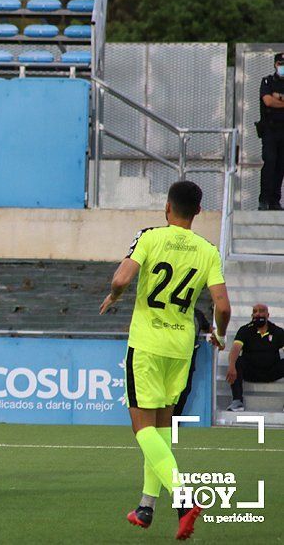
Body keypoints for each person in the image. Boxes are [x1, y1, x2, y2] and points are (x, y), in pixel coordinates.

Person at [99, 180, 230, 541]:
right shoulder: (208, 250)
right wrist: (218, 333)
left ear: (167, 208)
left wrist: (114, 295)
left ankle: (184, 499)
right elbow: (223, 306)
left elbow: (122, 278)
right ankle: (146, 506)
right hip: (180, 348)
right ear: (199, 212)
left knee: (142, 429)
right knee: (159, 430)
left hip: (147, 344)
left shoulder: (149, 236)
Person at [225, 304, 284, 411]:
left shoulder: (278, 331)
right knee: (236, 361)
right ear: (252, 315)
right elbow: (235, 349)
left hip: (272, 372)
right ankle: (237, 401)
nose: (258, 314)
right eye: (255, 311)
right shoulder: (244, 330)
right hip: (251, 372)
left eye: (261, 311)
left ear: (268, 315)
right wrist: (231, 365)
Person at [172, 308, 211, 418]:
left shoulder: (197, 313)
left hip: (188, 361)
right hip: (169, 358)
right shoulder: (171, 309)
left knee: (184, 391)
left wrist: (218, 336)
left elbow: (208, 328)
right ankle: (160, 423)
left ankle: (174, 422)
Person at [257, 53, 284, 210]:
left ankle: (275, 200)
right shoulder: (268, 81)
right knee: (270, 162)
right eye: (280, 63)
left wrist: (277, 99)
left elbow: (273, 100)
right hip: (270, 130)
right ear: (275, 64)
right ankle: (264, 200)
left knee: (280, 165)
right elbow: (267, 100)